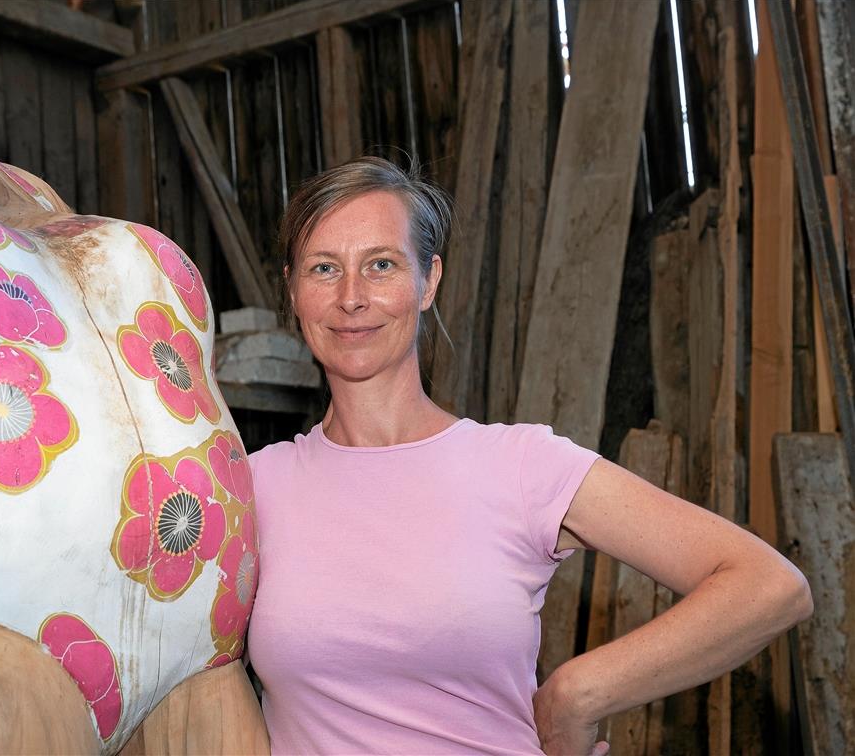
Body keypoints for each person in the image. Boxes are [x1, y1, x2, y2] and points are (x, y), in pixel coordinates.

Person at [244, 156, 813, 755]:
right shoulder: (251, 486)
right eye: (324, 269)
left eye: (381, 265)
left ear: (429, 280)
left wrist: (578, 693)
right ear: (293, 289)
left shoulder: (519, 466)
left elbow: (768, 584)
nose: (352, 298)